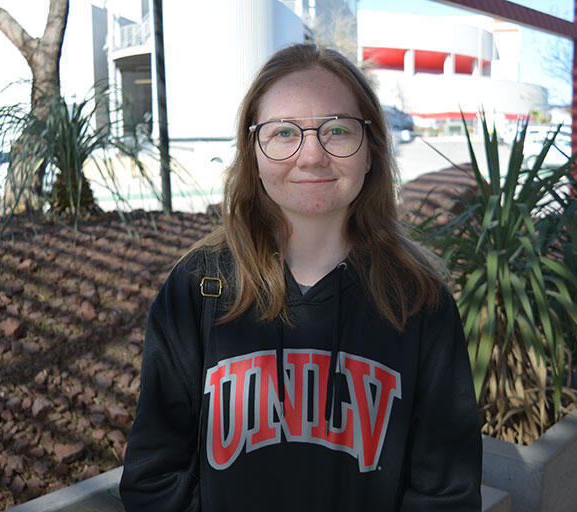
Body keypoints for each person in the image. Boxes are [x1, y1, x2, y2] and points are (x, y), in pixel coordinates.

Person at [119, 43, 482, 511]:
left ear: (370, 151)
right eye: (284, 132)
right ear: (253, 153)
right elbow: (154, 480)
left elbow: (445, 496)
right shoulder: (197, 290)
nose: (312, 156)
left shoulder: (420, 303)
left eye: (336, 130)